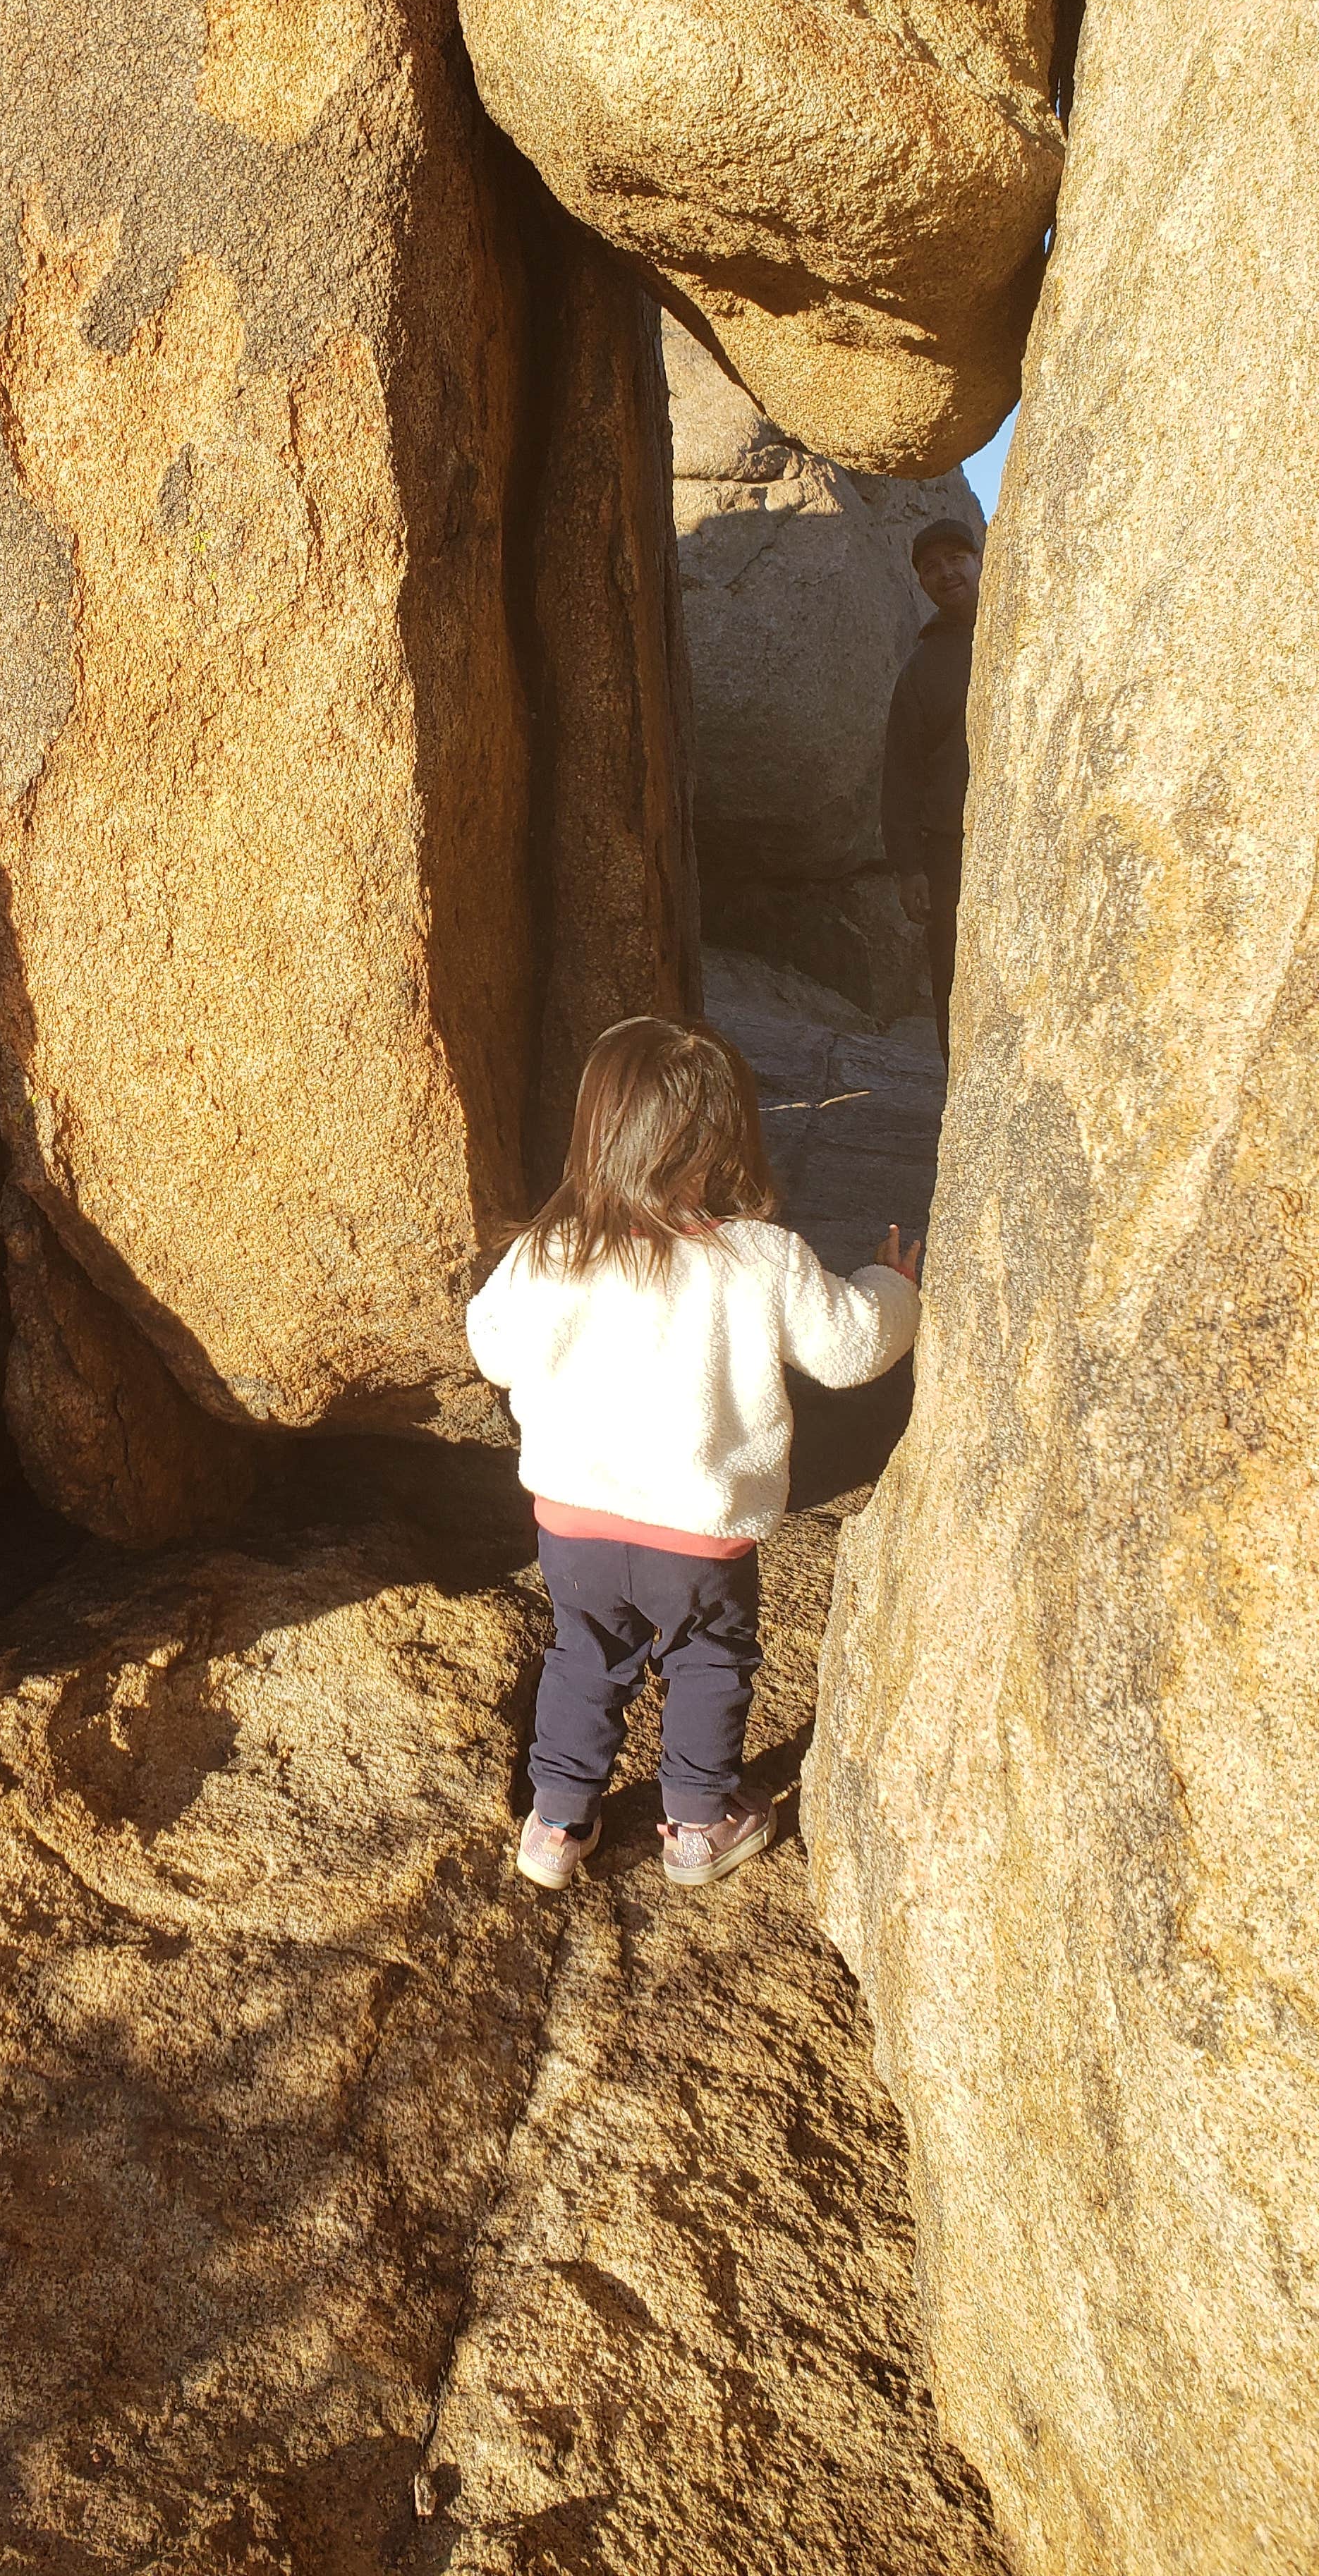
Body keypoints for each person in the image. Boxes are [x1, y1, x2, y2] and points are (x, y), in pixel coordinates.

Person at [466, 1016, 921, 1894]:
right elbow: (851, 1346)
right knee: (709, 1660)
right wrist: (891, 1288)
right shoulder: (759, 1258)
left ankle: (557, 1823)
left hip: (576, 1521)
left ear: (596, 1130)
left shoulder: (553, 1249)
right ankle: (699, 1824)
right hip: (697, 1535)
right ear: (728, 1138)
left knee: (582, 1654)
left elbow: (493, 1347)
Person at [881, 517, 982, 1057]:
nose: (946, 573)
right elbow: (901, 772)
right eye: (931, 567)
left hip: (1031, 842)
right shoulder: (922, 667)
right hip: (951, 856)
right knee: (955, 982)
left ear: (979, 559)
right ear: (920, 582)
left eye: (955, 559)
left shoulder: (1030, 627)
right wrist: (909, 867)